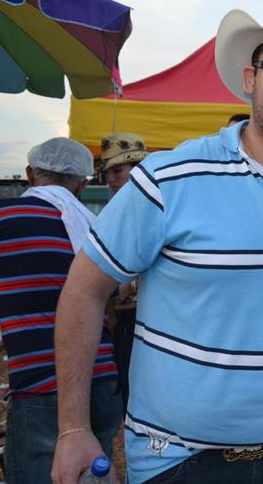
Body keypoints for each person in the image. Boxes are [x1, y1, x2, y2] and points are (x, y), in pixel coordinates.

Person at [51, 0, 263, 483]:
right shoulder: (169, 177)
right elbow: (84, 291)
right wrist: (73, 428)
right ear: (250, 79)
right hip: (178, 462)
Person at [0, 138, 120, 484]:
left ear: (30, 174)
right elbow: (112, 302)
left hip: (41, 384)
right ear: (82, 184)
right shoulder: (99, 226)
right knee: (92, 476)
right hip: (103, 379)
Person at [98, 132, 149, 416]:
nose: (110, 178)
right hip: (126, 317)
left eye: (117, 170)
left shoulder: (156, 205)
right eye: (107, 172)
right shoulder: (118, 209)